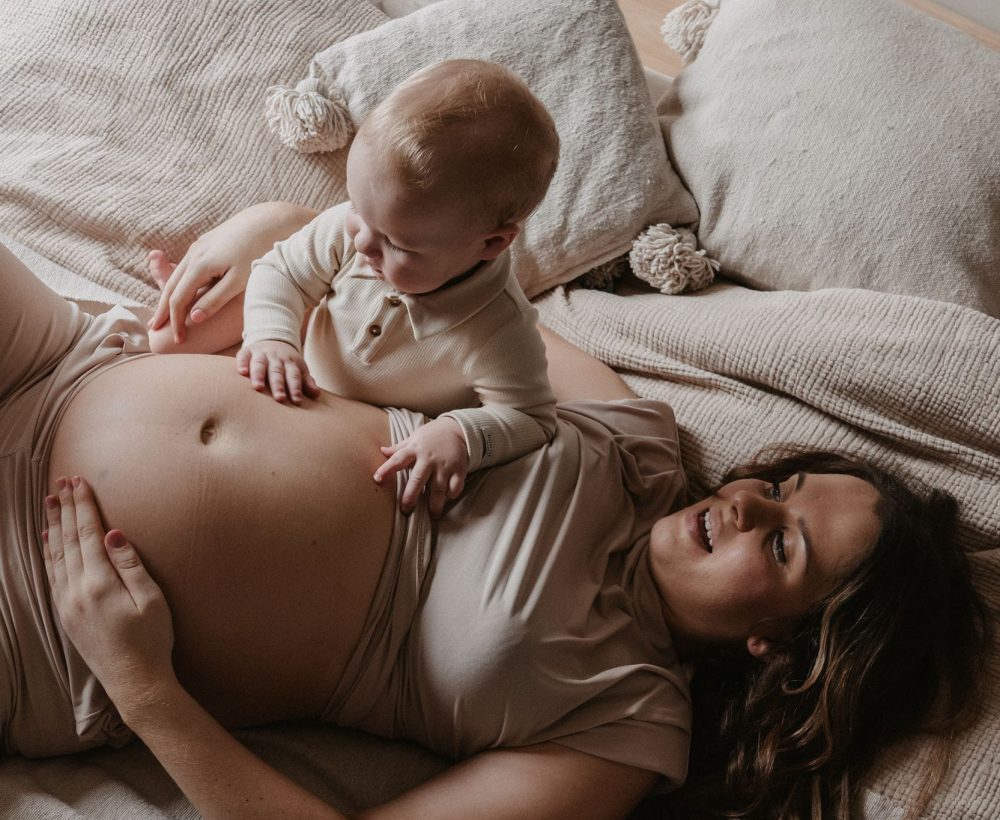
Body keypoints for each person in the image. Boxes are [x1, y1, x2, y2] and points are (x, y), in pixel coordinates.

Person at [1, 202, 988, 819]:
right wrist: (268, 247)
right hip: (69, 361)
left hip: (43, 616)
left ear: (783, 645)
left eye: (782, 543)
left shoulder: (624, 729)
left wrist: (142, 686)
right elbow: (423, 285)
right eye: (772, 488)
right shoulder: (632, 438)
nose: (739, 503)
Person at [146, 59, 562, 515]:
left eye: (396, 243)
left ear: (491, 243)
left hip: (364, 436)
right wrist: (272, 337)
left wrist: (462, 435)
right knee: (168, 341)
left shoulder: (499, 331)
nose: (362, 241)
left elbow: (532, 418)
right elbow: (279, 271)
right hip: (304, 376)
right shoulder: (352, 233)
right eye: (358, 209)